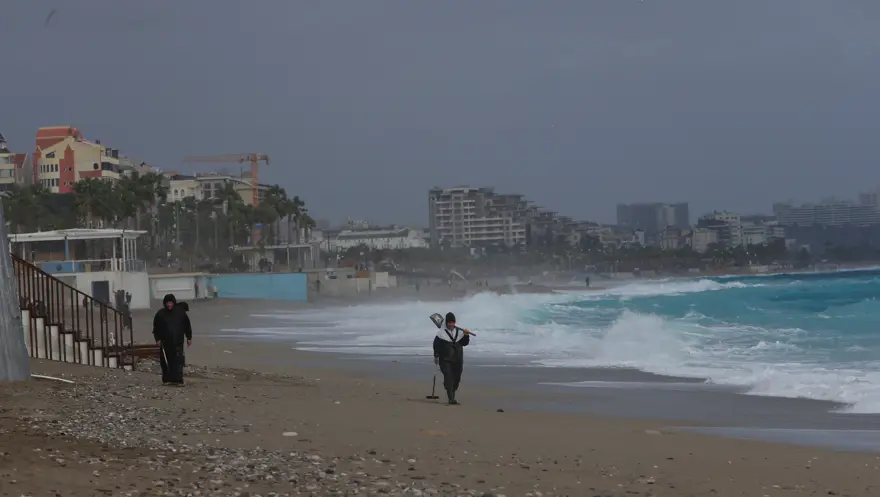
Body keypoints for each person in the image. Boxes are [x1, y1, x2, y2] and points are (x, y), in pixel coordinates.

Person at [432, 312, 472, 405]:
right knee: (449, 377)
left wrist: (466, 335)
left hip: (457, 359)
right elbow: (436, 345)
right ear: (446, 323)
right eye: (449, 322)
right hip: (445, 360)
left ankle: (452, 391)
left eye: (453, 322)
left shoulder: (460, 332)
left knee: (457, 378)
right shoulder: (440, 333)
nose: (451, 324)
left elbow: (465, 343)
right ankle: (451, 398)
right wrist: (436, 356)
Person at [152, 294, 193, 386]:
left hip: (178, 341)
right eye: (167, 303)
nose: (169, 305)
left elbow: (187, 325)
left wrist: (189, 337)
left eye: (170, 303)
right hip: (165, 342)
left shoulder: (180, 312)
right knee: (166, 361)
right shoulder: (160, 314)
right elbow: (156, 328)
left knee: (178, 361)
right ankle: (167, 379)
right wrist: (157, 339)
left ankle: (178, 380)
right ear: (165, 303)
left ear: (174, 302)